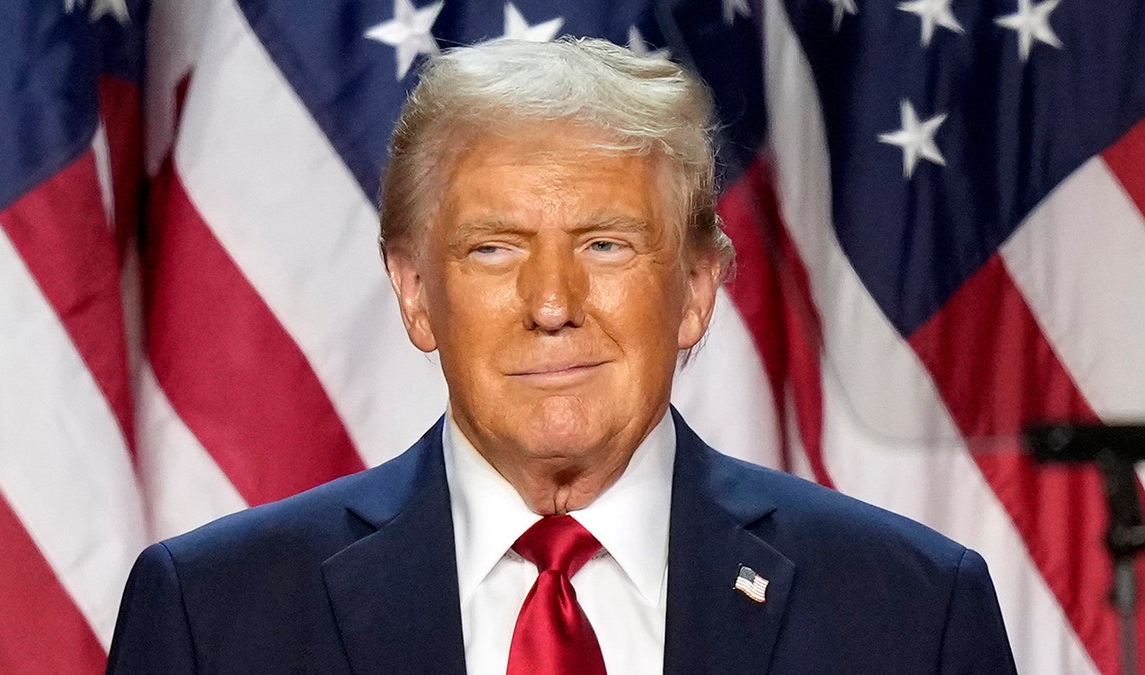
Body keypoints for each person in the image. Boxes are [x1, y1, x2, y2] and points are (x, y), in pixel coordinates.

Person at [106, 37, 1017, 674]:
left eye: (607, 244)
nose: (551, 304)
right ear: (416, 294)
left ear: (698, 288)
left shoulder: (909, 613)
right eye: (493, 248)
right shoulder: (214, 615)